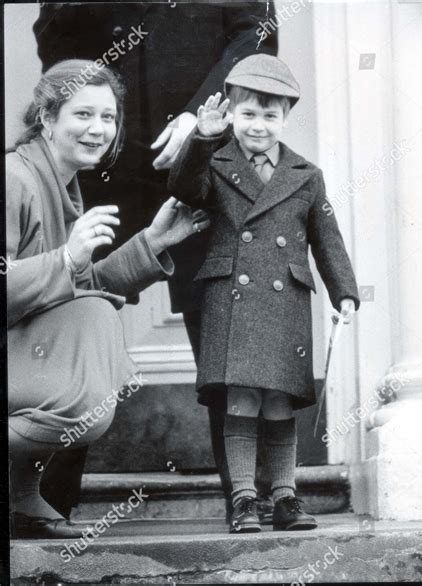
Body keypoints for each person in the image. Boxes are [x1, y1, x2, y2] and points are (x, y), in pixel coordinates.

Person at [33, 2, 278, 522]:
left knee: (228, 320)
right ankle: (41, 502)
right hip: (102, 162)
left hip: (205, 155)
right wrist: (92, 117)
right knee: (68, 312)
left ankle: (250, 500)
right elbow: (54, 31)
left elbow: (257, 30)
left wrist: (202, 116)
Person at [7, 60, 209, 539]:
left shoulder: (59, 180)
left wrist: (153, 241)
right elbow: (61, 282)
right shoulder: (14, 179)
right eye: (83, 114)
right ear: (46, 117)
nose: (98, 129)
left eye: (108, 117)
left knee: (92, 316)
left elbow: (74, 287)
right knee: (94, 322)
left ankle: (19, 497)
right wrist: (66, 257)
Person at [168, 54, 360, 533]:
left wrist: (345, 292)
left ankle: (285, 498)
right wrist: (201, 137)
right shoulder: (215, 161)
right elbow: (185, 189)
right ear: (231, 114)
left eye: (270, 115)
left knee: (279, 400)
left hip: (284, 301)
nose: (258, 125)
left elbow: (327, 238)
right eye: (248, 113)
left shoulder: (306, 174)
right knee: (240, 400)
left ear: (286, 117)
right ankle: (243, 500)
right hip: (230, 295)